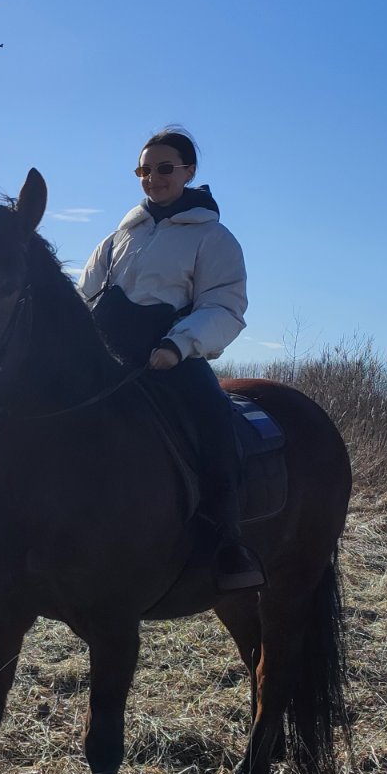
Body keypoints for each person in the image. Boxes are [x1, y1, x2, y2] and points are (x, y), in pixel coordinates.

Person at [76, 128, 265, 590]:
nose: (152, 178)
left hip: (169, 357)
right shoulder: (118, 237)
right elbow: (84, 298)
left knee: (214, 419)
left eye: (164, 168)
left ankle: (226, 540)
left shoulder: (213, 238)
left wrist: (178, 346)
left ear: (189, 172)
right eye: (144, 170)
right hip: (106, 360)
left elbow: (224, 306)